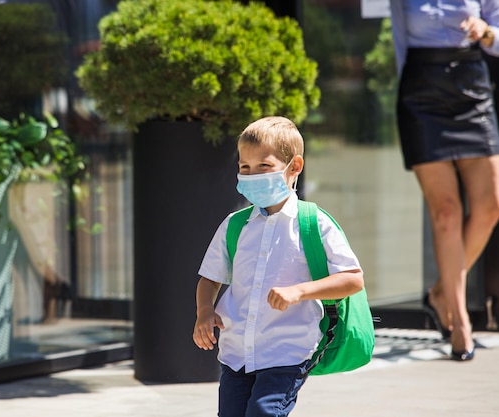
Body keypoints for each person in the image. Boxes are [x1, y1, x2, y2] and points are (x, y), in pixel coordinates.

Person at [192, 116, 364, 417]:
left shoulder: (313, 223)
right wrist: (204, 311)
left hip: (287, 352)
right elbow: (210, 278)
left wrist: (300, 291)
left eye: (263, 166)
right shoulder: (235, 226)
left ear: (294, 167)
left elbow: (352, 279)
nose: (251, 174)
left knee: (263, 412)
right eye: (244, 167)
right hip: (236, 353)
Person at [389, 1, 499, 361]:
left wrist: (485, 31)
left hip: (472, 84)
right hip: (420, 90)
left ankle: (440, 293)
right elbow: (398, 41)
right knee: (447, 212)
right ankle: (460, 322)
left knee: (490, 206)